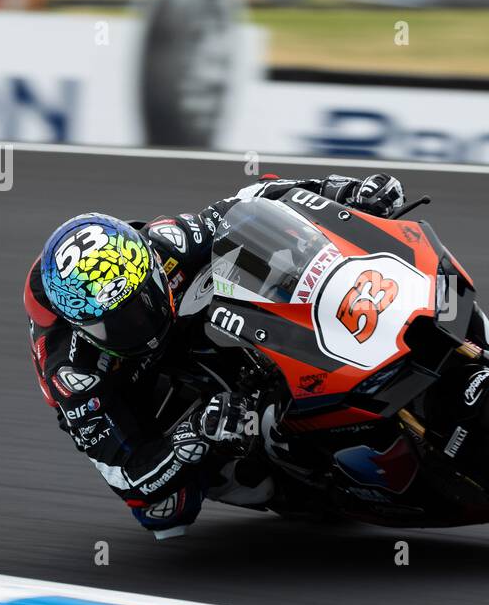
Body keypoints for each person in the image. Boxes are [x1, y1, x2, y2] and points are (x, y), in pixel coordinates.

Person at [23, 173, 406, 537]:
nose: (136, 326)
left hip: (184, 311)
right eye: (115, 324)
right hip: (130, 384)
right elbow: (127, 476)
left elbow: (251, 202)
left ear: (153, 269)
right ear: (82, 327)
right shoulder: (75, 372)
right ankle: (286, 484)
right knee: (167, 510)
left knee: (252, 249)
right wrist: (193, 435)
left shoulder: (165, 245)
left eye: (140, 306)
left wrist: (341, 192)